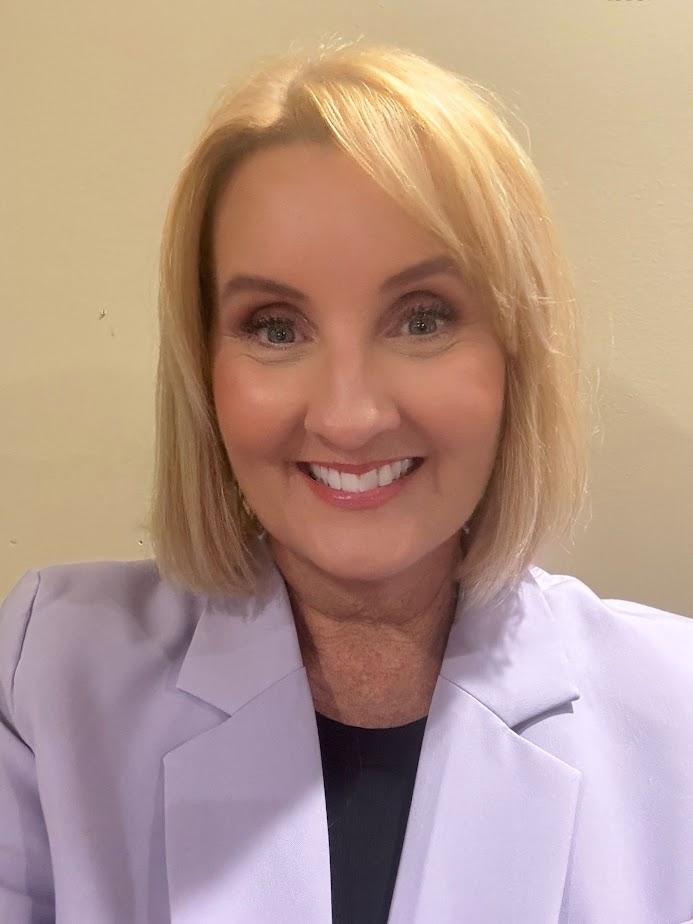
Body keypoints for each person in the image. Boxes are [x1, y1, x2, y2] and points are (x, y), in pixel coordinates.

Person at [1, 41, 692, 924]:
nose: (348, 416)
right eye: (275, 328)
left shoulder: (674, 708)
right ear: (205, 370)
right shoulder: (52, 675)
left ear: (514, 353)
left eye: (422, 319)